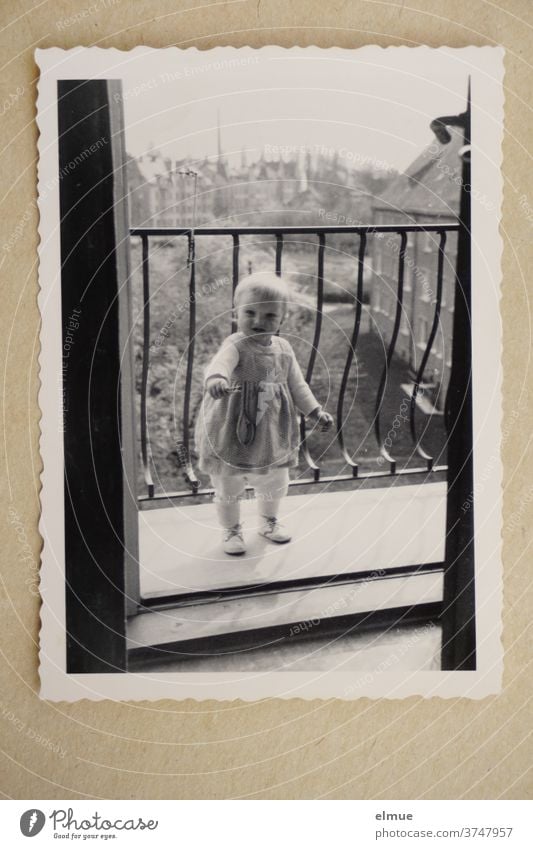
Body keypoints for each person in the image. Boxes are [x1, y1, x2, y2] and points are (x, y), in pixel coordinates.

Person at [194, 272, 333, 555]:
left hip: (271, 430)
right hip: (231, 427)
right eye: (250, 313)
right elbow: (218, 365)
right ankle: (231, 529)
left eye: (270, 315)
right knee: (229, 481)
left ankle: (268, 521)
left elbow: (297, 385)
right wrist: (216, 380)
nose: (259, 321)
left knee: (275, 479)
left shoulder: (284, 349)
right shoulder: (236, 344)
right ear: (236, 313)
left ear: (282, 319)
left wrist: (314, 411)